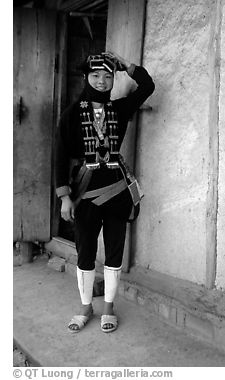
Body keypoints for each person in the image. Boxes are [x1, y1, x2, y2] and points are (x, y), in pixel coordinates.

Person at [55, 50, 155, 333]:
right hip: (84, 194)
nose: (102, 81)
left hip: (117, 193)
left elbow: (147, 86)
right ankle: (85, 306)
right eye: (96, 75)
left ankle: (109, 307)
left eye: (108, 76)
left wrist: (127, 66)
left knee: (114, 251)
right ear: (86, 77)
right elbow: (60, 156)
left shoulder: (120, 109)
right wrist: (64, 197)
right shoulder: (71, 114)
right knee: (85, 251)